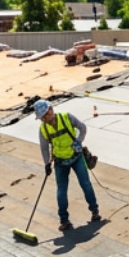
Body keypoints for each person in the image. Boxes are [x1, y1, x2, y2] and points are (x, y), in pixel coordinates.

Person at [34, 99, 102, 232]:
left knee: (85, 184)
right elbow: (44, 148)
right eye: (43, 116)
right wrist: (47, 163)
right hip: (60, 162)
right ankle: (64, 220)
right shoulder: (43, 129)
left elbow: (82, 127)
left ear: (51, 109)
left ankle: (95, 211)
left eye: (47, 113)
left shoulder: (66, 117)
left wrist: (78, 141)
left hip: (76, 157)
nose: (46, 117)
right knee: (61, 190)